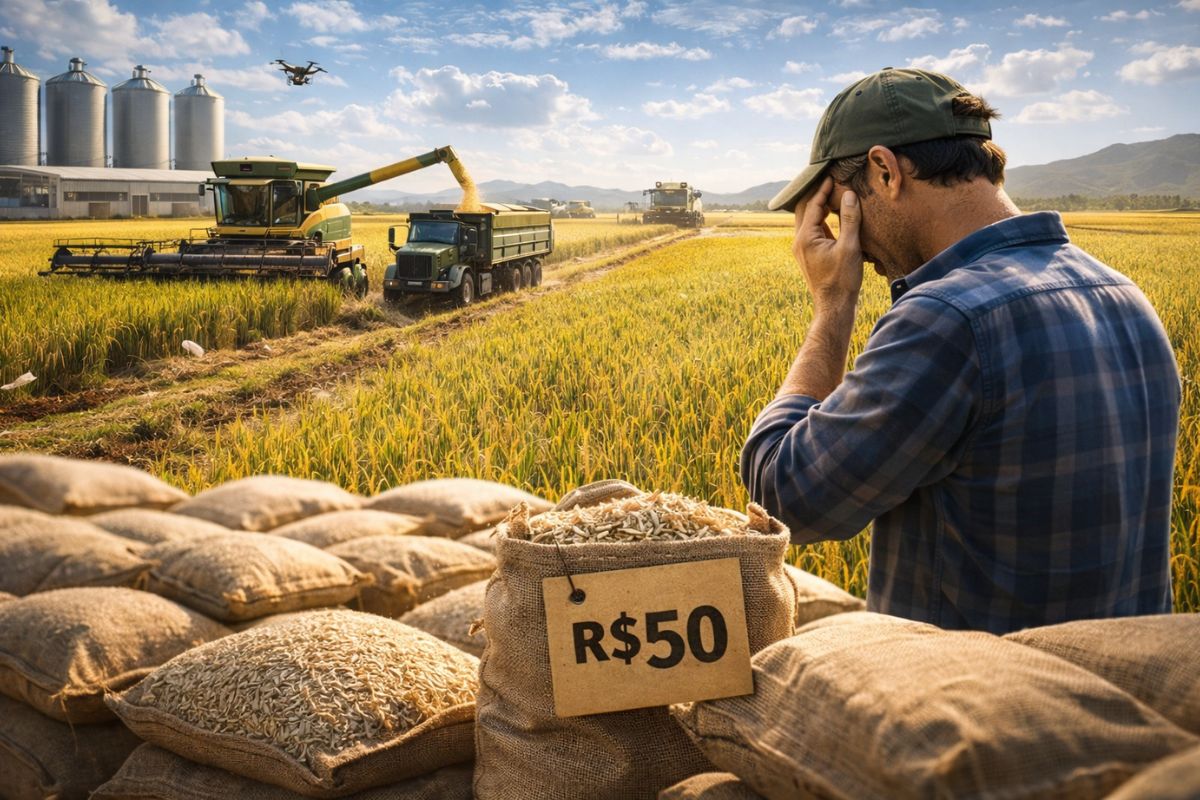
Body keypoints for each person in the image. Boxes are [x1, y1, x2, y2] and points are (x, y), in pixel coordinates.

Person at [741, 67, 1180, 634]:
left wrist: (833, 306)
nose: (848, 238)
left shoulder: (947, 319)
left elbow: (783, 495)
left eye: (839, 203)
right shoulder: (1121, 293)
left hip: (978, 706)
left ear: (884, 171)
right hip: (1115, 695)